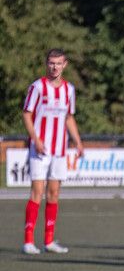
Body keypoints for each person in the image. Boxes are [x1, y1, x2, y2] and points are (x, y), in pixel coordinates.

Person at [21, 49, 84, 254]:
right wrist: (36, 139)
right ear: (46, 64)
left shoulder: (69, 90)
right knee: (37, 192)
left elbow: (69, 118)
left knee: (54, 193)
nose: (54, 67)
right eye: (51, 63)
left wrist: (78, 141)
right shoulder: (37, 87)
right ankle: (28, 241)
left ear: (65, 64)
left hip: (59, 149)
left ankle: (49, 241)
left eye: (58, 63)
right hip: (40, 149)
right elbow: (27, 114)